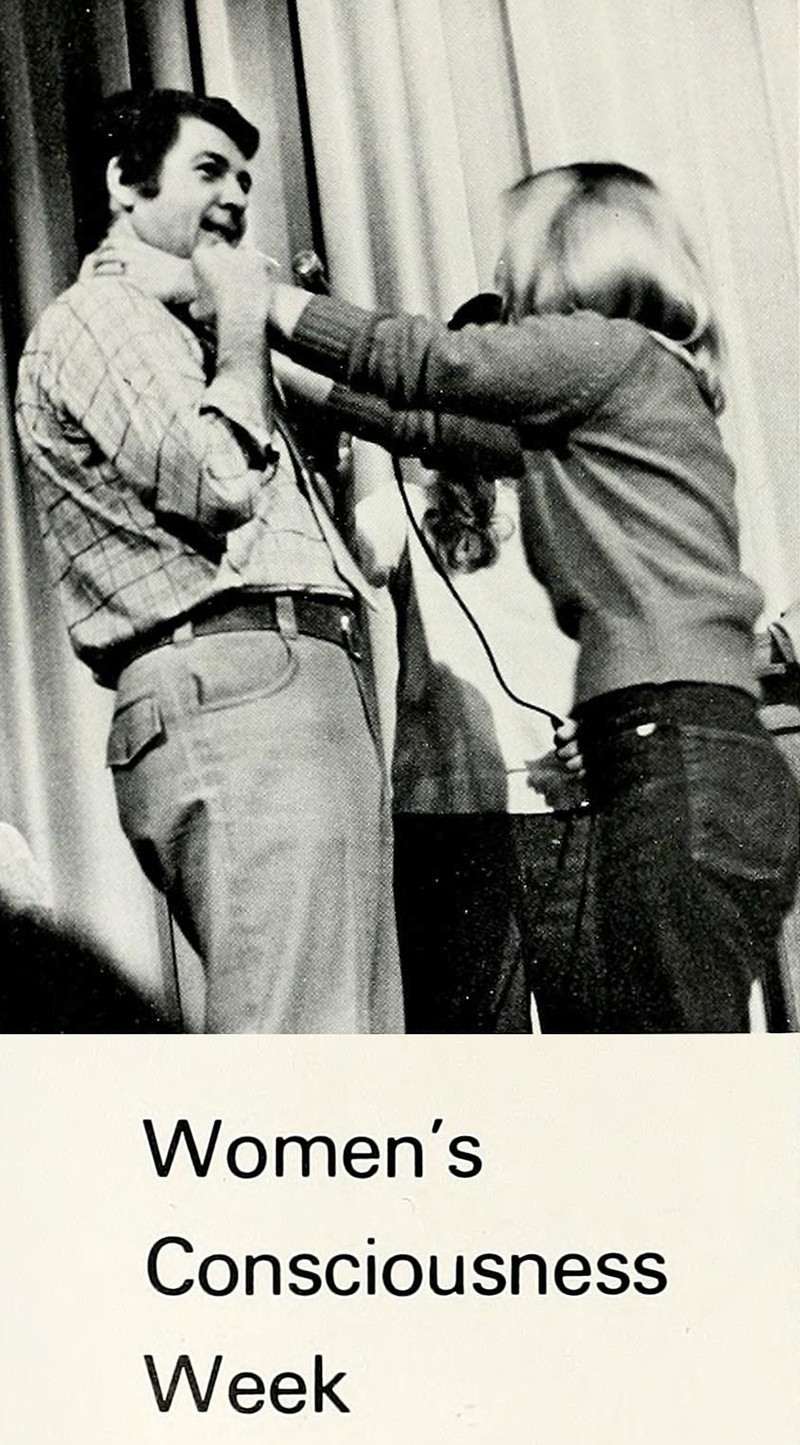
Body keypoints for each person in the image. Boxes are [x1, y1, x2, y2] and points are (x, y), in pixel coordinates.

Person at [265, 161, 800, 1032]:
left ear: (572, 262)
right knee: (668, 1060)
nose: (506, 283)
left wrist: (266, 301)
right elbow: (423, 425)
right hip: (705, 755)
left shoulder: (605, 352)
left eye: (518, 260)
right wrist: (280, 374)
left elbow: (429, 364)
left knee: (664, 1073)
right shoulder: (631, 393)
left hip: (673, 756)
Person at [15, 88, 403, 1034]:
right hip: (234, 686)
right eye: (208, 171)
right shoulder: (102, 318)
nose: (236, 197)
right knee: (297, 1040)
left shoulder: (193, 327)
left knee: (346, 1045)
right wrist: (238, 321)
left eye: (244, 179)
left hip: (293, 681)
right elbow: (218, 481)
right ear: (125, 183)